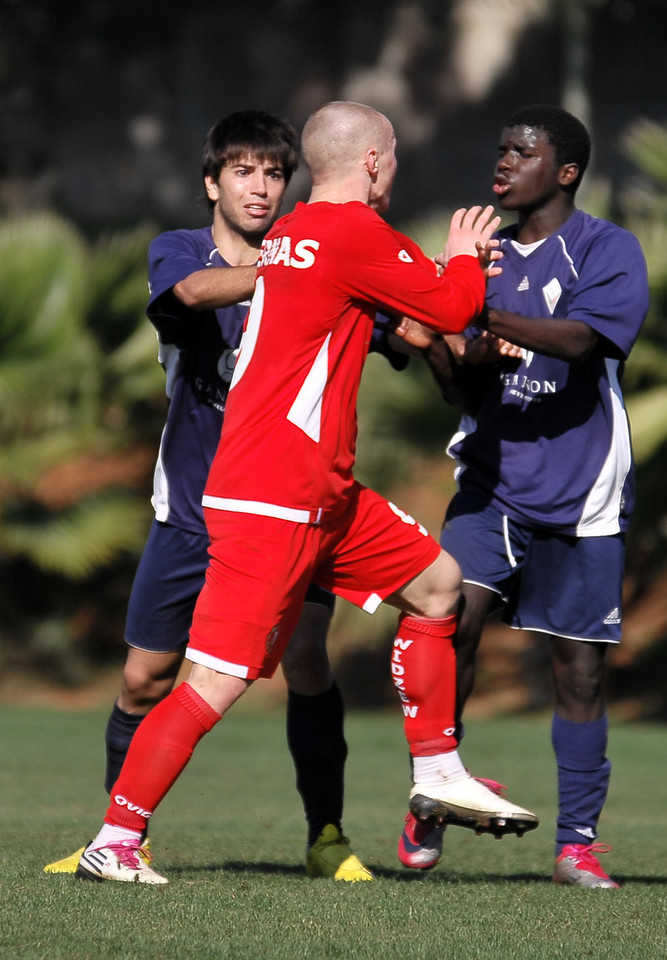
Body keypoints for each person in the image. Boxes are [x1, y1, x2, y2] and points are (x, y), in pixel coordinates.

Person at [74, 99, 539, 884]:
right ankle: (114, 841)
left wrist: (438, 292)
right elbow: (453, 307)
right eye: (389, 153)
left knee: (436, 587)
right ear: (370, 162)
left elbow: (402, 315)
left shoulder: (291, 235)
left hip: (320, 490)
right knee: (211, 682)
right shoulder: (348, 232)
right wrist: (461, 255)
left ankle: (435, 768)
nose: (393, 165)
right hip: (274, 496)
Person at [44, 108, 374, 882]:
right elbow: (187, 294)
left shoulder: (320, 252)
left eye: (272, 172)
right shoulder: (182, 251)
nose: (259, 187)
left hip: (291, 506)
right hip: (192, 506)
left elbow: (396, 325)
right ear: (210, 182)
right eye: (242, 171)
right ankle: (122, 834)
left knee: (307, 660)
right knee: (142, 679)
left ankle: (326, 835)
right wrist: (299, 266)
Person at [396, 105, 649, 887]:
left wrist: (478, 310)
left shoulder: (606, 249)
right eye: (499, 150)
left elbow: (583, 340)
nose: (501, 164)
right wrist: (436, 343)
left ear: (564, 171)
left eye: (520, 152)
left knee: (577, 673)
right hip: (491, 486)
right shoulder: (489, 257)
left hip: (581, 496)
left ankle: (575, 843)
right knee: (446, 621)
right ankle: (433, 790)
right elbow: (465, 391)